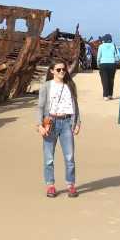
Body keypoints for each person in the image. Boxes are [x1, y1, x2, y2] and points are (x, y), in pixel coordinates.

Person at [37, 59, 81, 198]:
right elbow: (40, 107)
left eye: (63, 69)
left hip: (67, 122)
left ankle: (71, 185)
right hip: (51, 122)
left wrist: (78, 123)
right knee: (49, 157)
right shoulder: (46, 86)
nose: (62, 71)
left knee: (70, 157)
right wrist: (39, 125)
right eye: (58, 70)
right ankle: (50, 185)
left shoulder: (70, 85)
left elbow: (75, 105)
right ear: (52, 71)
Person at [96, 34, 119, 100]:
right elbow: (118, 55)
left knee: (104, 80)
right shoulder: (114, 46)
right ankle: (110, 95)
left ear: (104, 39)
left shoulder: (101, 46)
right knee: (111, 79)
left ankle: (105, 96)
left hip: (103, 64)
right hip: (112, 64)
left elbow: (99, 56)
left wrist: (98, 63)